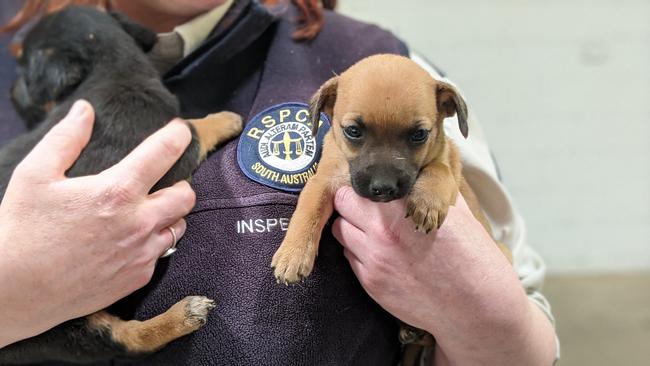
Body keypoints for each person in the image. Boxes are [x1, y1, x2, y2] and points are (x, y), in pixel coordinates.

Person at [0, 1, 559, 365]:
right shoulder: (23, 54)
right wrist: (13, 293)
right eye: (357, 133)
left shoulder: (378, 60)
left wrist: (486, 315)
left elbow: (527, 337)